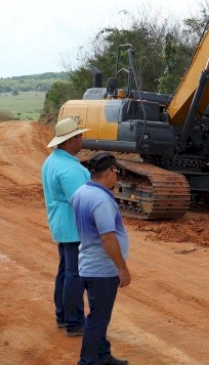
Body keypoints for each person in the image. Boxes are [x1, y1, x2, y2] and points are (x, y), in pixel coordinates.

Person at [72, 152, 131, 365]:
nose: (116, 176)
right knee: (98, 318)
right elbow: (107, 237)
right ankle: (87, 361)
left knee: (100, 315)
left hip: (89, 263)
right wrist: (122, 268)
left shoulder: (81, 192)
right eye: (116, 172)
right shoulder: (101, 199)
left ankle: (103, 355)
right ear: (108, 172)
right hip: (101, 270)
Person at [41, 117, 90, 336]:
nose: (82, 140)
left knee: (66, 271)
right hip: (74, 226)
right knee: (75, 274)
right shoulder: (69, 167)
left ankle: (63, 314)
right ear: (71, 140)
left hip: (62, 224)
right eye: (80, 136)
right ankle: (75, 321)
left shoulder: (52, 161)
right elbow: (80, 201)